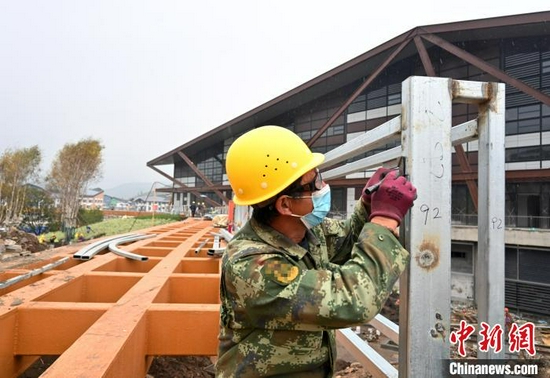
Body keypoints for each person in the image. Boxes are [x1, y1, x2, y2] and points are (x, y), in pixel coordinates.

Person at [216, 125, 417, 377]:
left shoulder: (305, 230)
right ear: (286, 204)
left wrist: (368, 204)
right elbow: (353, 300)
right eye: (313, 184)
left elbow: (346, 242)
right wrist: (384, 221)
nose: (323, 187)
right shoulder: (253, 267)